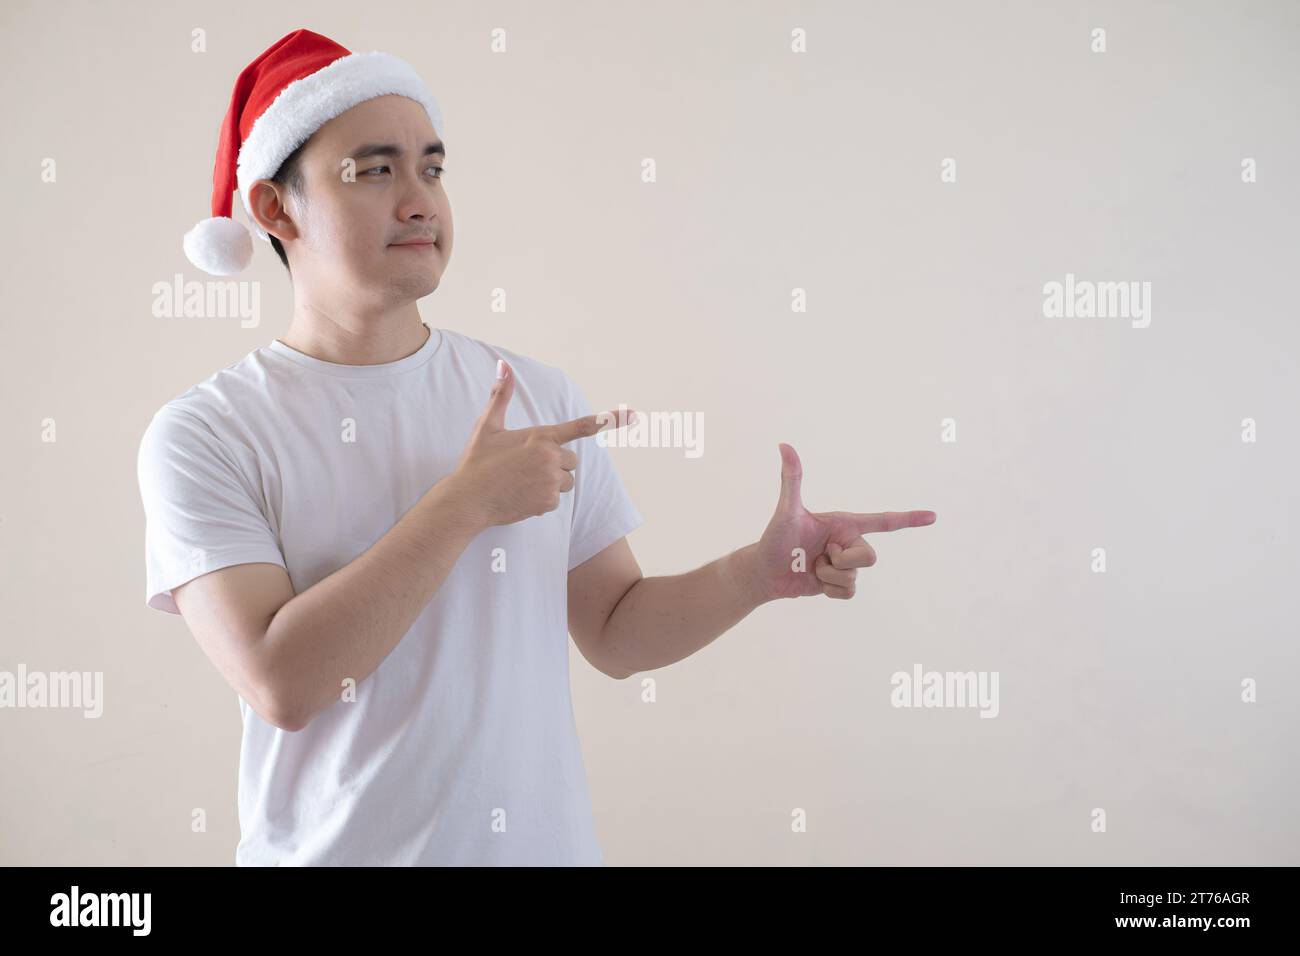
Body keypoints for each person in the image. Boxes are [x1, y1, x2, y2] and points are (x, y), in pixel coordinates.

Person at [137, 28, 938, 866]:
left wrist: (756, 576)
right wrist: (465, 503)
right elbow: (282, 682)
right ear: (273, 208)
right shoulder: (207, 433)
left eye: (433, 169)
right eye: (374, 170)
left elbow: (617, 631)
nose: (420, 200)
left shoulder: (534, 393)